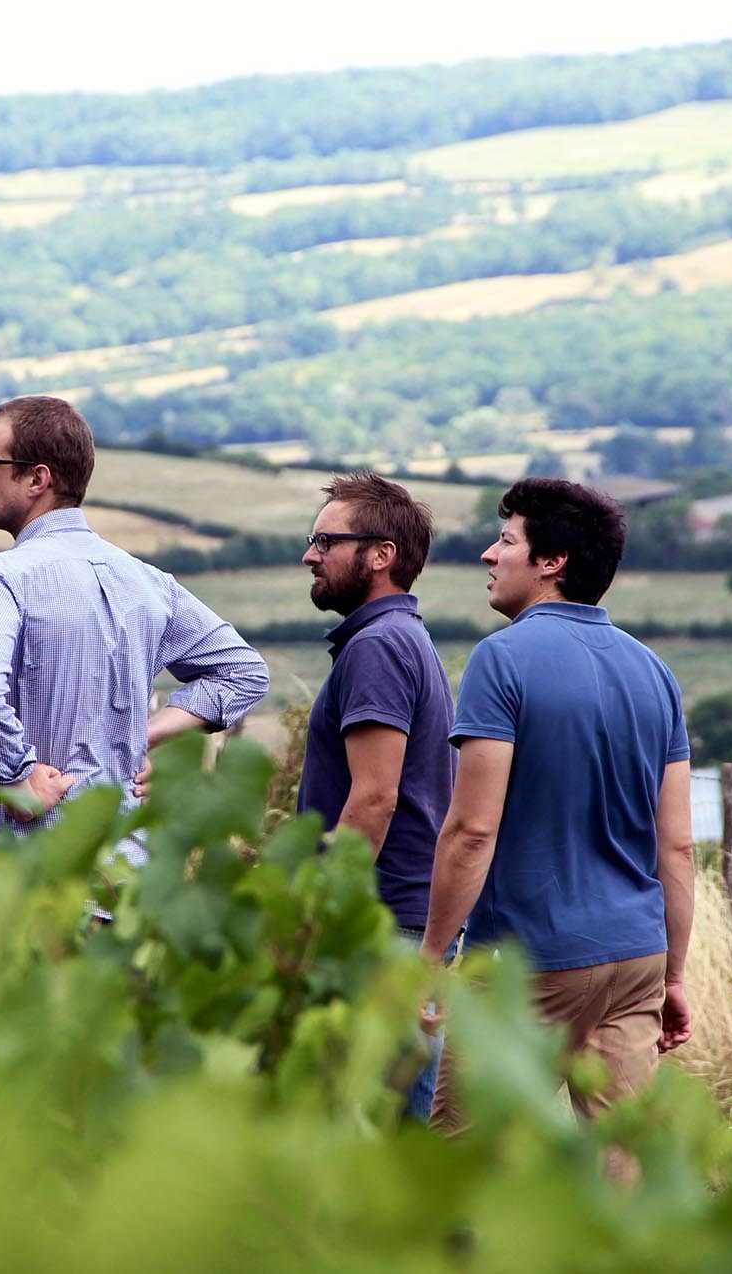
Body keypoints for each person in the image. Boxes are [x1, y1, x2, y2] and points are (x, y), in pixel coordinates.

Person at [422, 478, 695, 1119]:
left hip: (529, 961)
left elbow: (472, 831)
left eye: (505, 540)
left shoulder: (500, 660)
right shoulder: (654, 672)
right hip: (636, 958)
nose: (489, 555)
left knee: (462, 1159)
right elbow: (677, 846)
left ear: (552, 562)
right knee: (623, 1160)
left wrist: (430, 957)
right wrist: (673, 976)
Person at [0, 395, 269, 845]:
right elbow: (244, 672)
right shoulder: (149, 584)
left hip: (26, 872)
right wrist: (140, 738)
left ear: (38, 479)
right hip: (125, 871)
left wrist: (16, 776)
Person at [295, 472, 455, 1119]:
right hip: (401, 922)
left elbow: (374, 798)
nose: (309, 556)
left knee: (383, 1130)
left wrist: (322, 910)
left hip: (381, 927)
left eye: (325, 541)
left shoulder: (379, 647)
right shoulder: (401, 638)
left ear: (381, 554)